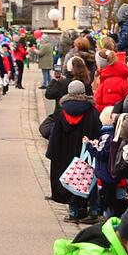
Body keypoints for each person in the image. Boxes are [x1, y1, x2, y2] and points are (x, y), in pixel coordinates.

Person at [45, 80, 102, 223]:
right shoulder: (92, 112)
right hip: (85, 153)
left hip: (64, 154)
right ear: (84, 93)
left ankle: (74, 212)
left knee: (72, 180)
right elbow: (97, 132)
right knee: (88, 180)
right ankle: (93, 210)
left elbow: (55, 136)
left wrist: (52, 153)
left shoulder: (61, 113)